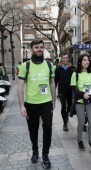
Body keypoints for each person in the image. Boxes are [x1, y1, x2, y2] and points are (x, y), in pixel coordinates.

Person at [18, 40, 56, 169]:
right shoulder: (25, 66)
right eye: (36, 47)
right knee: (33, 130)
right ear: (31, 49)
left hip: (46, 103)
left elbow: (52, 83)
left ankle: (45, 155)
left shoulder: (49, 65)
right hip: (31, 104)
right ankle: (35, 150)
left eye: (41, 47)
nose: (39, 49)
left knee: (48, 127)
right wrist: (22, 105)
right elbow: (20, 87)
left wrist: (54, 100)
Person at [70, 54, 91, 151]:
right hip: (79, 101)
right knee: (81, 122)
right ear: (80, 62)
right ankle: (80, 140)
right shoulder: (75, 74)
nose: (87, 62)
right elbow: (73, 88)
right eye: (84, 60)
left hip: (90, 100)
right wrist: (82, 94)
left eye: (88, 60)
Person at [55, 53, 74, 131]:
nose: (65, 59)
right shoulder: (58, 69)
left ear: (68, 59)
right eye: (64, 58)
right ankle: (65, 123)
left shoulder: (72, 68)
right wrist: (54, 92)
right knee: (63, 106)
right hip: (62, 91)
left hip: (70, 90)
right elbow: (55, 81)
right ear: (61, 59)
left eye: (66, 58)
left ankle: (66, 115)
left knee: (70, 105)